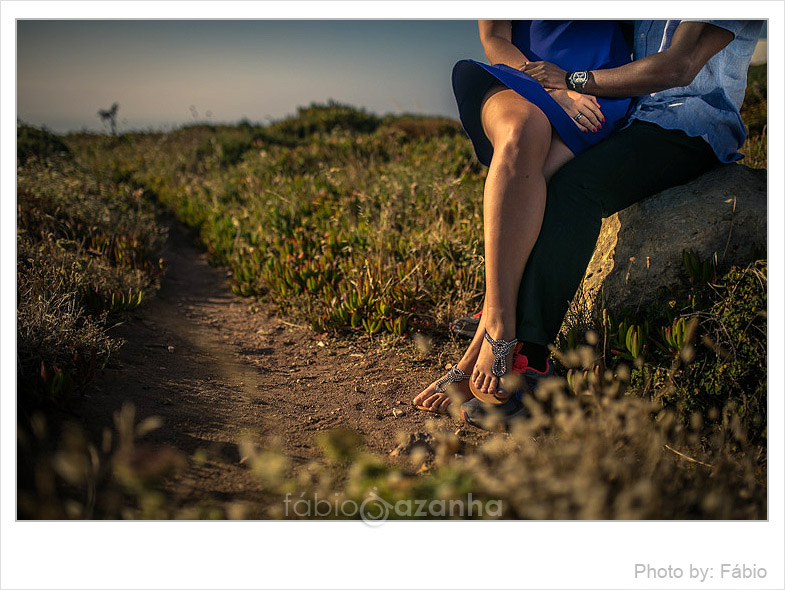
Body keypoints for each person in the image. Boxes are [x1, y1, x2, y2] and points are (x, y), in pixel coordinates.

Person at [459, 19, 765, 429]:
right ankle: (496, 318)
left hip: (687, 126)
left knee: (575, 189)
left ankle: (530, 365)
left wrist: (571, 80)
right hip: (629, 118)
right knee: (536, 176)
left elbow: (679, 65)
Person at [412, 21, 634, 416]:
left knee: (530, 196)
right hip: (520, 77)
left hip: (598, 94)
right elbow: (494, 36)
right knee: (522, 129)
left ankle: (473, 353)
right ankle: (499, 327)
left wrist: (579, 86)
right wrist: (555, 90)